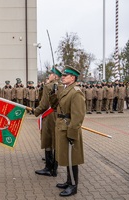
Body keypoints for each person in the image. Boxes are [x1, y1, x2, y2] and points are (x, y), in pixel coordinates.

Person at [55, 66, 86, 196]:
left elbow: (78, 116)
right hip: (63, 126)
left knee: (72, 158)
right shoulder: (67, 90)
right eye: (63, 75)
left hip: (69, 127)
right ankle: (68, 181)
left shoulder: (76, 92)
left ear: (72, 78)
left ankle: (73, 185)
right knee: (67, 157)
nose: (62, 77)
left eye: (65, 75)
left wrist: (72, 134)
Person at [33, 67, 62, 177]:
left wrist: (36, 111)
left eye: (50, 74)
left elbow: (44, 104)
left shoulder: (48, 86)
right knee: (55, 141)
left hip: (49, 116)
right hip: (57, 115)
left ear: (55, 76)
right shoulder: (61, 86)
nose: (48, 76)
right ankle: (54, 168)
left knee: (48, 140)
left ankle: (49, 168)